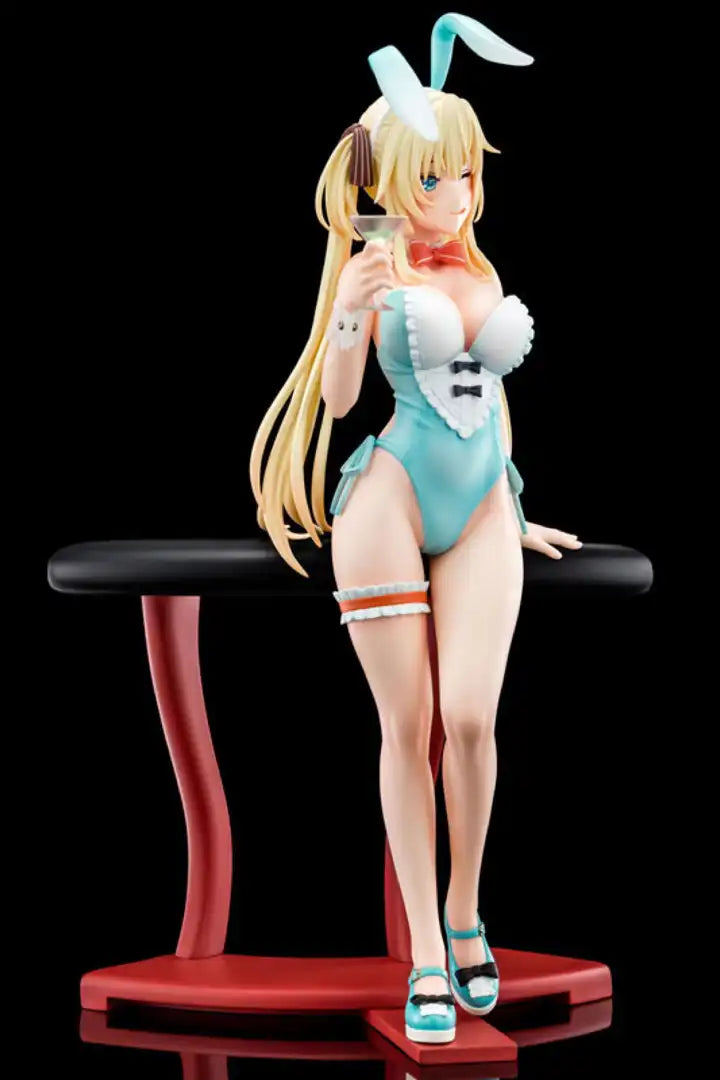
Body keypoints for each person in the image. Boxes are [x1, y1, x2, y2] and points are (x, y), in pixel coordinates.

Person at [250, 13, 582, 1045]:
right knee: (410, 724)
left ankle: (466, 911)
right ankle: (429, 956)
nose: (457, 194)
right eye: (436, 176)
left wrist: (513, 500)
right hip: (390, 492)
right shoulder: (377, 271)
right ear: (392, 179)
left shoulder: (478, 270)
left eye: (467, 174)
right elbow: (342, 398)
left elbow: (489, 394)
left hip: (479, 498)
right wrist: (350, 309)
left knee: (472, 719)